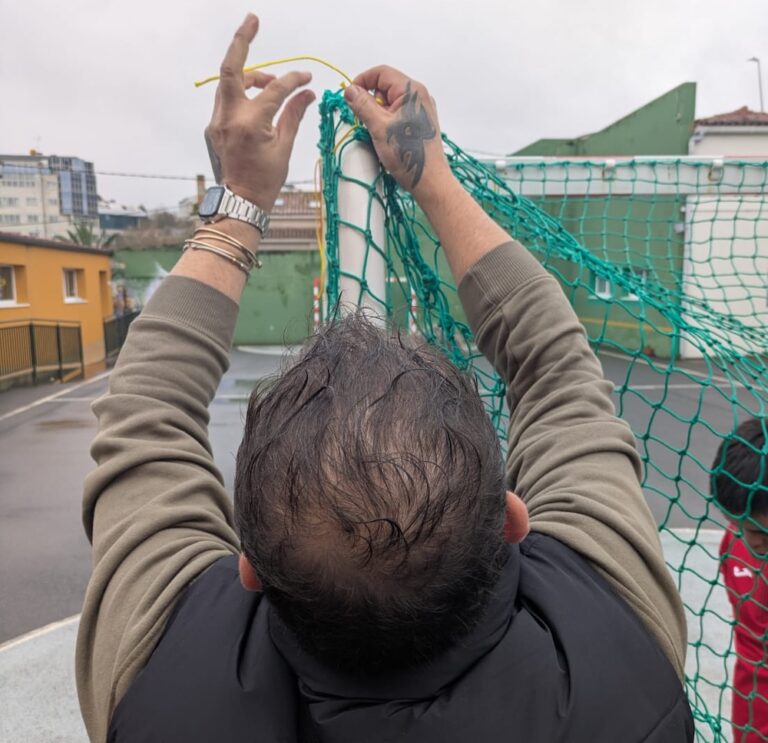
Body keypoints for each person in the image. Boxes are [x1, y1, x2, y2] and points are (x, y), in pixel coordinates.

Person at [76, 13, 694, 742]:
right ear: (511, 521)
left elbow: (145, 407)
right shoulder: (620, 652)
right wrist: (426, 168)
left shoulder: (156, 687)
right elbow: (555, 365)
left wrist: (238, 200)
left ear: (251, 568)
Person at [714, 417, 768, 743]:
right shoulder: (734, 543)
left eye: (759, 532)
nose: (751, 542)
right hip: (751, 715)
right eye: (738, 524)